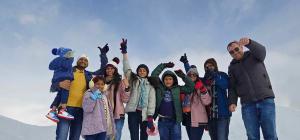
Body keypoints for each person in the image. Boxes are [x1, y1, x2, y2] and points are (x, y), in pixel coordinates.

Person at [227, 37, 277, 140]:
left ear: (241, 47)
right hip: (247, 105)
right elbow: (232, 87)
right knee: (252, 136)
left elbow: (262, 51)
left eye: (236, 49)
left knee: (270, 135)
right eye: (232, 52)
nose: (235, 53)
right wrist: (232, 102)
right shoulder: (232, 67)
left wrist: (250, 42)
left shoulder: (253, 55)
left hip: (265, 100)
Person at [120, 38, 156, 140]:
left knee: (144, 137)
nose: (142, 72)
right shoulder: (133, 80)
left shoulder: (151, 86)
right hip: (133, 112)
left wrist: (150, 116)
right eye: (140, 70)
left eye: (144, 70)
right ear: (137, 72)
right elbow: (126, 68)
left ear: (147, 73)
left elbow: (152, 101)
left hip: (144, 114)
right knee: (134, 136)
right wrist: (124, 52)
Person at [94, 44, 130, 140]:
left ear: (115, 70)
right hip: (104, 114)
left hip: (118, 114)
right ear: (105, 70)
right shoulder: (101, 82)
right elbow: (96, 97)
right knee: (104, 137)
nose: (109, 70)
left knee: (116, 137)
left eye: (112, 68)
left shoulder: (120, 81)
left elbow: (125, 99)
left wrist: (127, 88)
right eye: (108, 68)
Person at [151, 62, 195, 140]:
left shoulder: (178, 88)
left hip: (175, 121)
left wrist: (182, 75)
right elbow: (154, 75)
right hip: (162, 121)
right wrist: (164, 65)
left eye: (170, 79)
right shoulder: (159, 87)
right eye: (166, 79)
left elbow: (191, 87)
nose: (168, 81)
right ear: (163, 80)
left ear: (173, 80)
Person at [54, 54, 93, 140]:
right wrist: (59, 84)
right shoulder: (68, 71)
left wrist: (103, 55)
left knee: (75, 137)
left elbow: (102, 71)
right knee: (61, 136)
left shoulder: (88, 75)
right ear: (77, 61)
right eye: (81, 59)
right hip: (65, 108)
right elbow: (54, 85)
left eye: (85, 60)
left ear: (87, 64)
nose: (83, 61)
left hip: (80, 110)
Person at [179, 54, 212, 140]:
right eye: (190, 75)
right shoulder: (185, 88)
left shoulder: (201, 86)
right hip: (187, 119)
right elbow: (189, 72)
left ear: (197, 76)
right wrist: (185, 63)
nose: (192, 76)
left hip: (198, 119)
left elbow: (207, 101)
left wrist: (202, 89)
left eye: (194, 75)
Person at [203, 58, 231, 140]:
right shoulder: (205, 79)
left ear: (215, 66)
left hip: (222, 114)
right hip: (210, 116)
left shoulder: (222, 75)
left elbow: (225, 85)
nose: (208, 68)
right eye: (206, 67)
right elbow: (193, 79)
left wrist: (215, 75)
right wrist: (186, 64)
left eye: (211, 66)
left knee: (222, 138)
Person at [46, 47, 75, 122]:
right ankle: (63, 110)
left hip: (59, 78)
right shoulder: (64, 60)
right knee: (65, 92)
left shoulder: (59, 60)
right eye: (70, 54)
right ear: (64, 54)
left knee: (59, 95)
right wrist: (70, 58)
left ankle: (52, 111)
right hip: (63, 78)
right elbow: (67, 65)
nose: (72, 55)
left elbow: (51, 66)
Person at [81, 76, 115, 140]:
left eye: (102, 84)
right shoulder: (88, 93)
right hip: (91, 129)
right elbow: (87, 109)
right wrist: (93, 98)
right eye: (98, 84)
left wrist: (111, 127)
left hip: (103, 129)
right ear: (93, 84)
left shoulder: (105, 96)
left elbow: (108, 112)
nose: (100, 86)